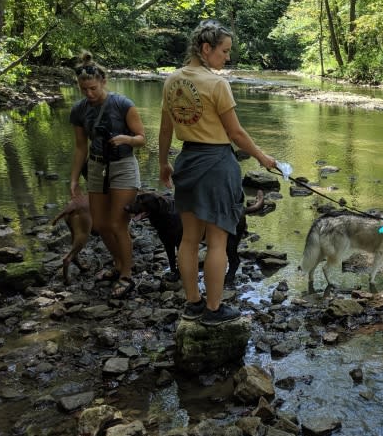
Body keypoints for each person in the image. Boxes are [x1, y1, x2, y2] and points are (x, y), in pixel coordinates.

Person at [159, 20, 277, 326]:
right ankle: (213, 309)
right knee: (216, 242)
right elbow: (235, 133)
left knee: (188, 239)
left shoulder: (171, 81)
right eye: (224, 51)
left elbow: (165, 128)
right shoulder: (217, 84)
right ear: (206, 48)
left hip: (187, 161)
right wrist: (262, 157)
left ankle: (192, 304)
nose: (227, 58)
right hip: (216, 164)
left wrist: (163, 163)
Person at [69, 51, 146, 298]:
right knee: (101, 225)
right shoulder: (79, 110)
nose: (89, 94)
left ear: (103, 81)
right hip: (96, 167)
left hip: (123, 165)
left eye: (93, 88)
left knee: (116, 223)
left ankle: (127, 275)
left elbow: (142, 138)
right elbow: (81, 147)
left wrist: (127, 139)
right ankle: (117, 263)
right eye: (84, 90)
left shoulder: (123, 104)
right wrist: (73, 179)